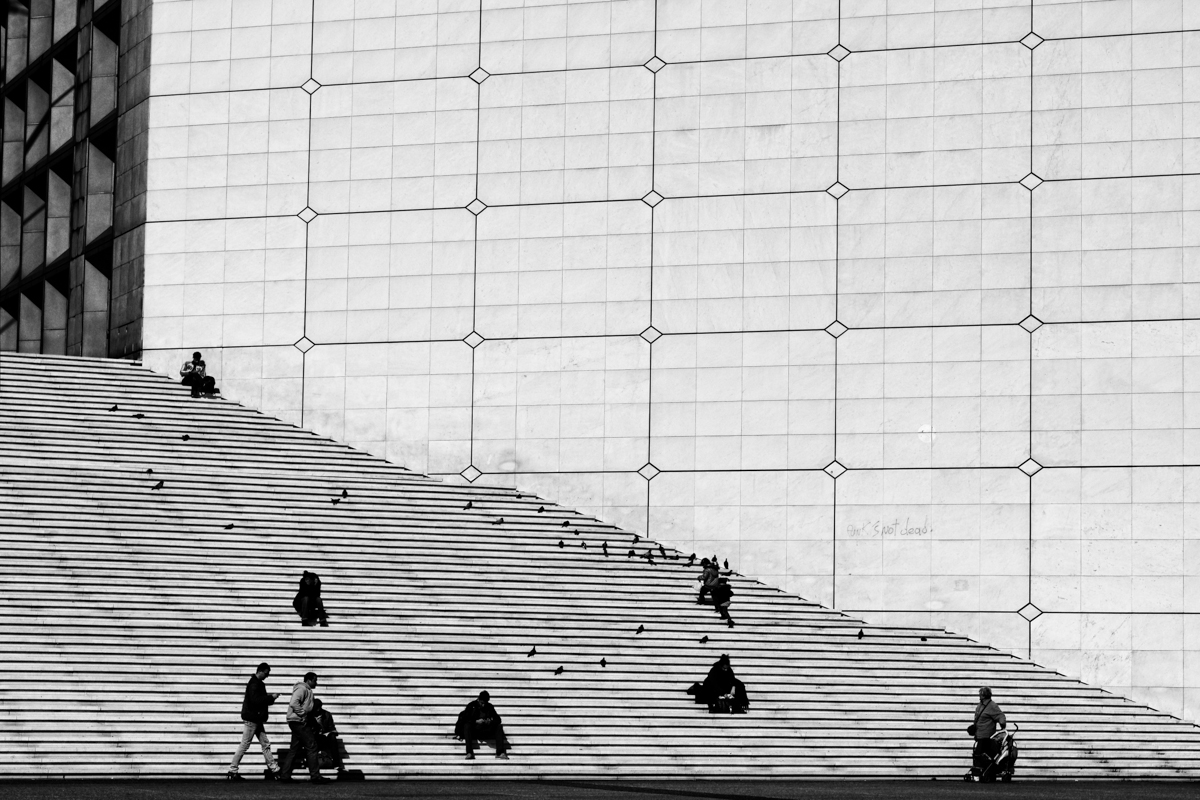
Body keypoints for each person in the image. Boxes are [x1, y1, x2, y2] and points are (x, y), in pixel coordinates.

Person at [227, 662, 282, 781]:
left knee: (265, 744)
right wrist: (271, 697)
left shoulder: (257, 683)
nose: (267, 676)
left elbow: (259, 700)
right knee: (245, 745)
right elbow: (256, 700)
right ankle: (232, 770)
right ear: (260, 671)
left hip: (256, 719)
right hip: (253, 719)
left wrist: (270, 698)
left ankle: (275, 769)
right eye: (266, 674)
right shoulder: (254, 684)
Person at [279, 672, 328, 783]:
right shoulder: (302, 689)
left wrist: (314, 723)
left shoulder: (307, 690)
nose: (316, 683)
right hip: (298, 722)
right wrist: (303, 714)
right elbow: (293, 703)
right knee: (312, 746)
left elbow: (307, 708)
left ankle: (285, 776)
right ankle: (315, 777)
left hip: (296, 721)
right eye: (315, 680)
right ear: (309, 680)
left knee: (294, 749)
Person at [291, 699, 350, 780]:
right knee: (301, 737)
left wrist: (329, 733)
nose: (318, 710)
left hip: (323, 737)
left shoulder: (327, 714)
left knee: (332, 737)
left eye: (319, 708)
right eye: (316, 708)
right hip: (311, 737)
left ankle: (336, 764)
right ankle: (304, 761)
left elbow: (332, 728)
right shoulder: (308, 715)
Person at [454, 691, 510, 760]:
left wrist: (489, 722)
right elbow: (464, 718)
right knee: (467, 725)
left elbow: (498, 719)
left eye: (485, 703)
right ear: (478, 699)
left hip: (485, 730)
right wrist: (476, 721)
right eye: (482, 703)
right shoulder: (472, 705)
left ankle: (500, 753)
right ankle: (469, 752)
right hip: (474, 731)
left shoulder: (489, 706)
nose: (483, 705)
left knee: (499, 726)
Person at [971, 687, 1007, 778]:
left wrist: (1002, 725)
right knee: (978, 755)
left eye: (981, 694)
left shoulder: (992, 706)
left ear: (985, 695)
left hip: (987, 737)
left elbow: (1000, 716)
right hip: (979, 736)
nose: (979, 695)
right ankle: (979, 774)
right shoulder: (980, 705)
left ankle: (985, 775)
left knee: (984, 756)